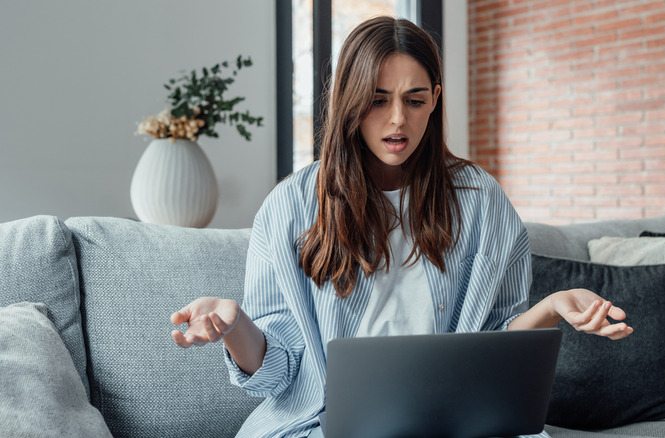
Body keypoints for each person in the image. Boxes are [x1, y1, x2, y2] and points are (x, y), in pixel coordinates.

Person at [170, 16, 633, 438]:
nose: (398, 119)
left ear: (435, 99)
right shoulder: (291, 205)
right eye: (377, 100)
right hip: (322, 424)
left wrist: (551, 307)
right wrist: (234, 327)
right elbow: (277, 373)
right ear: (349, 101)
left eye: (414, 100)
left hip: (456, 421)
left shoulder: (481, 201)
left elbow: (493, 354)